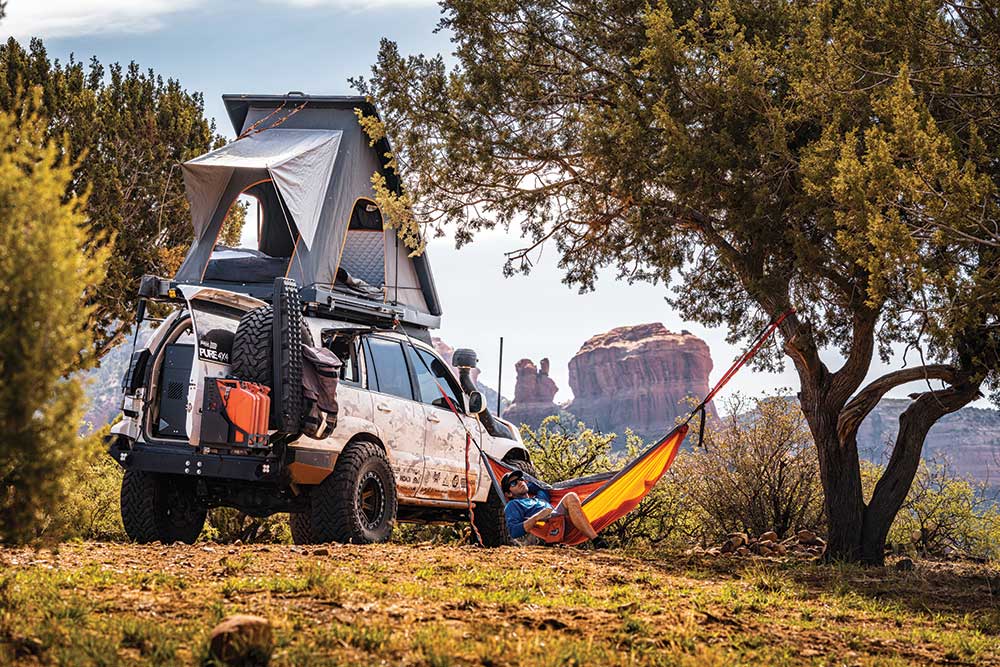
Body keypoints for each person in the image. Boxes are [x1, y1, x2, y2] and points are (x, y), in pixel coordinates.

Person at [501, 469, 598, 543]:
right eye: (514, 483)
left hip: (563, 518)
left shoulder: (539, 498)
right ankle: (597, 540)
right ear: (508, 494)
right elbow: (514, 531)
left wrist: (525, 487)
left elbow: (542, 487)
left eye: (520, 479)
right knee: (570, 497)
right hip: (550, 523)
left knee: (587, 498)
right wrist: (536, 517)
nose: (519, 482)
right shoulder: (513, 505)